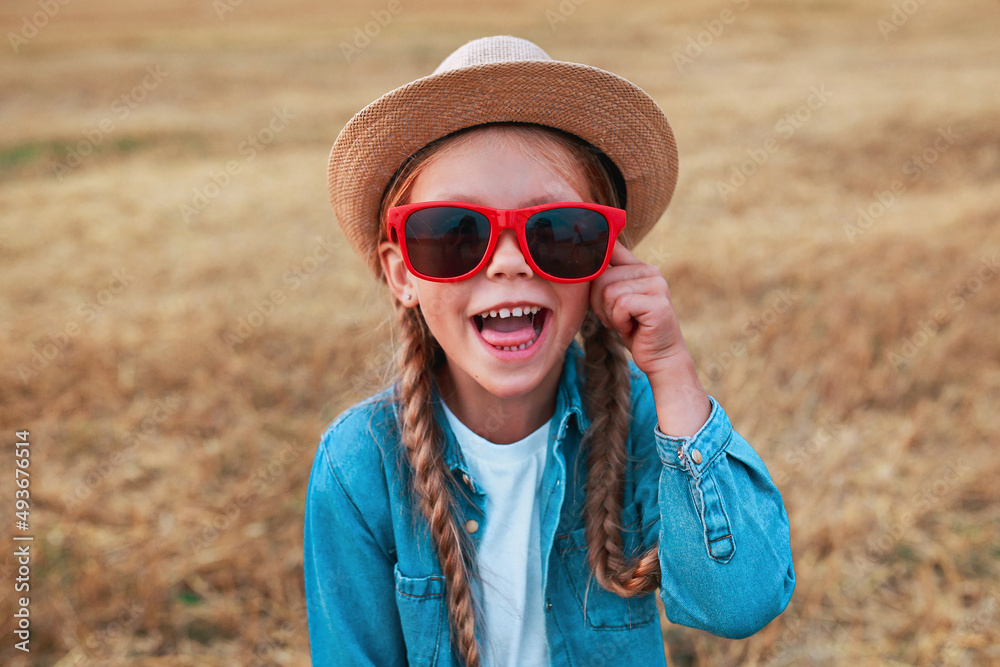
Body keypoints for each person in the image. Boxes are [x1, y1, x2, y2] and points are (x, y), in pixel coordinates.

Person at [304, 35, 795, 667]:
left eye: (558, 232)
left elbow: (740, 603)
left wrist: (672, 373)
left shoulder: (641, 425)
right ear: (403, 274)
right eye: (455, 233)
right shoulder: (358, 465)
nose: (508, 262)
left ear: (602, 261)